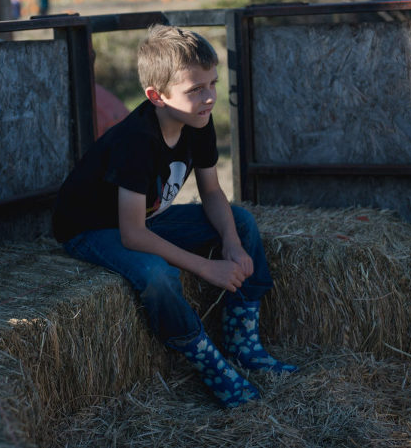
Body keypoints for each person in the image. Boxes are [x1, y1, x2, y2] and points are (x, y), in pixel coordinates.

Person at [53, 25, 297, 408]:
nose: (210, 97)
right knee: (158, 274)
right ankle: (207, 360)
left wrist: (230, 244)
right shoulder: (135, 141)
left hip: (144, 220)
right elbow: (133, 235)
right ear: (157, 96)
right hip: (93, 229)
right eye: (196, 89)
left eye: (213, 84)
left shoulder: (197, 119)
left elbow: (213, 192)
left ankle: (242, 342)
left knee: (241, 223)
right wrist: (206, 267)